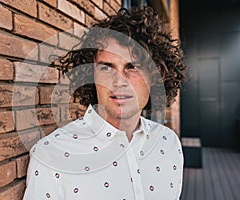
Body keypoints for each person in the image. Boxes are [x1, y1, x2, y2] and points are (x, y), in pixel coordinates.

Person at [23, 6, 187, 200]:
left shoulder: (168, 142)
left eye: (132, 67)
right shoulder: (51, 155)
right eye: (107, 68)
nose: (119, 81)